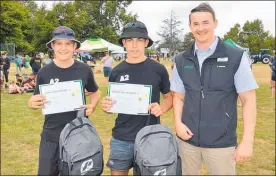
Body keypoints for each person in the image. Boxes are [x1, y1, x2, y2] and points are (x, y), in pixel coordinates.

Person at [170, 3, 258, 175]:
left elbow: (249, 100)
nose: (201, 28)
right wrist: (178, 123)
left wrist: (247, 141)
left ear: (215, 23)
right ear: (190, 27)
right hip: (187, 141)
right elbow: (178, 97)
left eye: (205, 22)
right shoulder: (181, 60)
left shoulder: (235, 56)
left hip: (222, 143)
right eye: (195, 24)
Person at [101, 21, 173, 176]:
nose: (134, 45)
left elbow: (169, 97)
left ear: (146, 42)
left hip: (150, 135)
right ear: (124, 43)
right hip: (121, 137)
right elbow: (113, 102)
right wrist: (107, 106)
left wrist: (162, 107)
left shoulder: (158, 69)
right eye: (130, 40)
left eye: (139, 40)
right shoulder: (116, 71)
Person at [27, 26, 100, 175]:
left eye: (68, 44)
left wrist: (92, 106)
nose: (63, 48)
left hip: (78, 134)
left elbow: (95, 92)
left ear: (74, 47)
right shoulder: (44, 72)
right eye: (59, 43)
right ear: (52, 46)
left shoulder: (84, 70)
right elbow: (35, 98)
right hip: (51, 135)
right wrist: (31, 103)